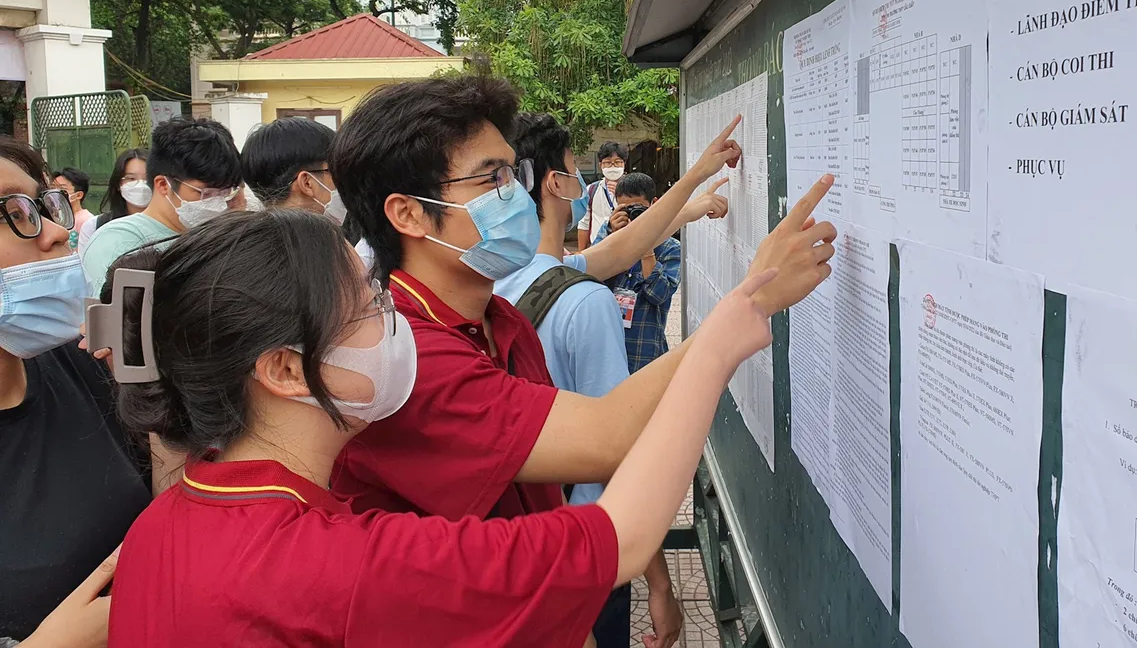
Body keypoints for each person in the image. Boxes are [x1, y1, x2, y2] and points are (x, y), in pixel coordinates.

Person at [98, 209, 781, 646]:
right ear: (283, 369)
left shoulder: (164, 524)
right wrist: (719, 343)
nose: (393, 319)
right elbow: (622, 538)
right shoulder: (335, 564)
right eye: (366, 306)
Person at [328, 74, 836, 531]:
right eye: (492, 179)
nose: (516, 196)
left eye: (513, 174)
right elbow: (607, 439)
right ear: (410, 215)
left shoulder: (498, 318)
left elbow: (617, 249)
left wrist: (695, 181)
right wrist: (757, 296)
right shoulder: (405, 356)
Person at [493, 114, 681, 647]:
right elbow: (615, 452)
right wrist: (659, 579)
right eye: (577, 165)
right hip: (586, 539)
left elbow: (610, 253)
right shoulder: (585, 300)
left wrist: (690, 188)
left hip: (517, 538)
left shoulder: (487, 277)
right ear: (557, 182)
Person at [0, 137, 151, 645]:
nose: (58, 232)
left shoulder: (72, 362)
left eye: (47, 205)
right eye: (15, 212)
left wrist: (154, 392)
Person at [82, 117, 242, 296]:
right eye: (206, 193)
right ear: (163, 185)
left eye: (225, 192)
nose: (217, 203)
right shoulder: (119, 242)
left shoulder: (217, 236)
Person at [591, 173, 682, 373]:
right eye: (626, 209)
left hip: (645, 352)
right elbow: (589, 279)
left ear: (654, 204)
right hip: (605, 349)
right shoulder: (608, 235)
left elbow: (658, 294)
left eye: (639, 209)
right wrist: (613, 237)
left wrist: (646, 245)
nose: (634, 216)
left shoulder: (670, 248)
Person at [241, 117, 346, 223]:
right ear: (307, 183)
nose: (344, 182)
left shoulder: (245, 236)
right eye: (336, 172)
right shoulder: (320, 238)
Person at [75, 149, 148, 258]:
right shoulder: (95, 227)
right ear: (118, 184)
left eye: (148, 178)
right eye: (131, 178)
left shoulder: (172, 226)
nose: (141, 185)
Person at [577, 141, 626, 249]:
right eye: (608, 163)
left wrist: (621, 196)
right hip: (597, 249)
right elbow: (584, 223)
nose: (613, 166)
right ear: (600, 165)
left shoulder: (633, 189)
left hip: (626, 249)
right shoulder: (591, 190)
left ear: (624, 164)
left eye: (617, 162)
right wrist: (581, 253)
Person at [52, 167, 93, 252]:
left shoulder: (86, 220)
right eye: (52, 188)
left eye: (62, 189)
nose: (55, 193)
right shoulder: (55, 219)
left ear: (78, 195)